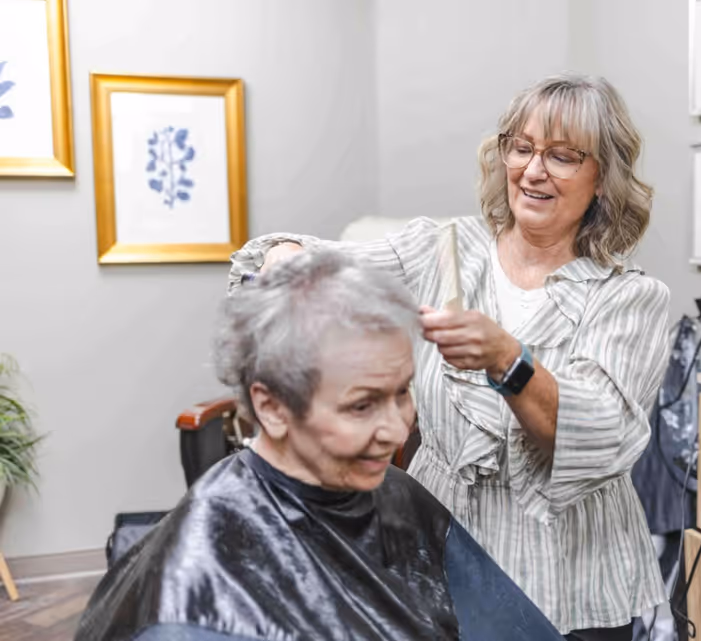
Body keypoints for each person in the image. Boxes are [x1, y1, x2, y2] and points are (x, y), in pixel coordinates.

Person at [229, 73, 671, 640]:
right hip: (439, 544)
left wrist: (508, 360)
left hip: (574, 576)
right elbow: (320, 262)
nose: (534, 171)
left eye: (561, 156)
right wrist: (287, 261)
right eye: (522, 148)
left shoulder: (629, 297)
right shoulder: (443, 249)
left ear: (603, 180)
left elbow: (598, 434)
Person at [75, 251, 564, 641]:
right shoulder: (193, 602)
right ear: (272, 408)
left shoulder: (397, 495)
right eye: (360, 407)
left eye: (402, 393)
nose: (396, 431)